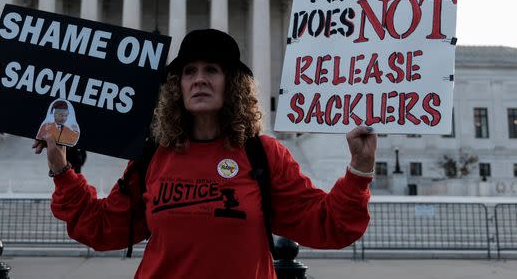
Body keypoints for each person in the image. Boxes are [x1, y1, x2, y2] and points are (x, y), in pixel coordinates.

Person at [34, 29, 377, 279]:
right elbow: (103, 227)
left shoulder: (263, 155)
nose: (199, 80)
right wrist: (61, 170)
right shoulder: (153, 156)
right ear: (177, 87)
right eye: (189, 72)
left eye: (211, 70)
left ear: (232, 84)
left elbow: (327, 226)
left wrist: (360, 169)